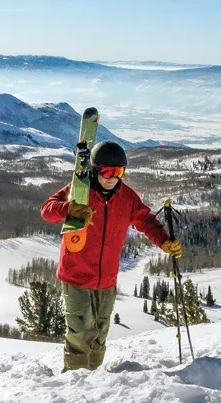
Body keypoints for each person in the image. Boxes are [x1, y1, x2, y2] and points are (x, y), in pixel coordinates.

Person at [40, 140, 180, 371]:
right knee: (79, 332)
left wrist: (164, 242)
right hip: (76, 275)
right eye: (106, 171)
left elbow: (145, 220)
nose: (112, 177)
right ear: (95, 169)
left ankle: (94, 378)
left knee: (100, 333)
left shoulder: (126, 197)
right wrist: (69, 209)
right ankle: (73, 380)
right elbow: (47, 209)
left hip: (106, 279)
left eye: (118, 171)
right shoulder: (79, 190)